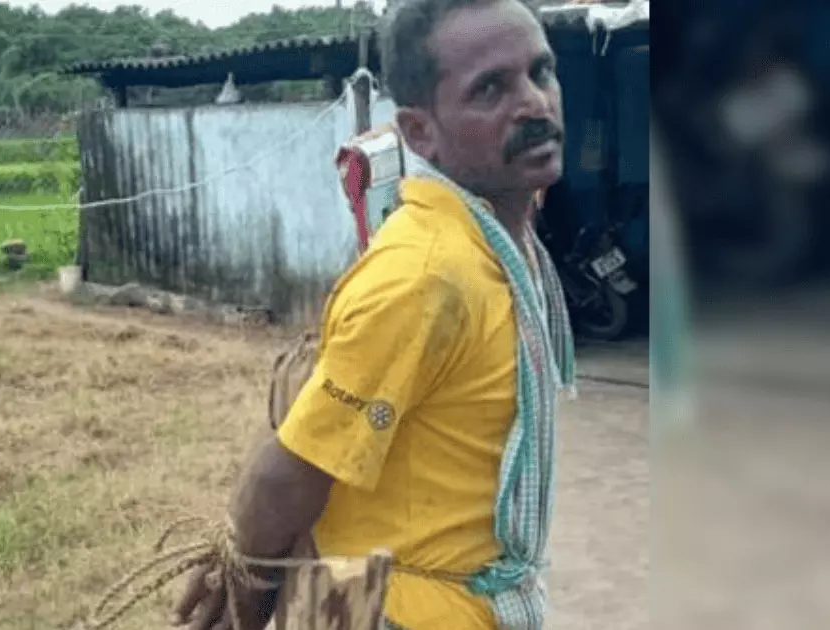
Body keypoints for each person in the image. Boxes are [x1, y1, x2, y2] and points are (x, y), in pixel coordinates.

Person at [170, 0, 576, 628]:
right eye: (490, 89)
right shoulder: (426, 275)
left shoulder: (494, 245)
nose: (534, 103)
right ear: (420, 132)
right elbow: (291, 470)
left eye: (540, 71)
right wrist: (234, 598)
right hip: (385, 611)